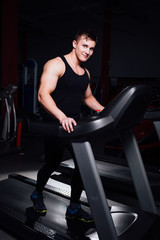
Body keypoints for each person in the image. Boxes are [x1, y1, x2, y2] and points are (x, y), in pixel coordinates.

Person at [31, 28, 104, 223]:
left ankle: (74, 207)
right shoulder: (56, 64)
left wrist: (107, 111)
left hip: (75, 124)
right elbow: (43, 95)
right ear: (74, 44)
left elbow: (88, 98)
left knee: (83, 165)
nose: (87, 51)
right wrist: (61, 117)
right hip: (55, 123)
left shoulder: (86, 72)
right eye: (84, 46)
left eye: (92, 48)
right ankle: (37, 193)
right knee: (52, 163)